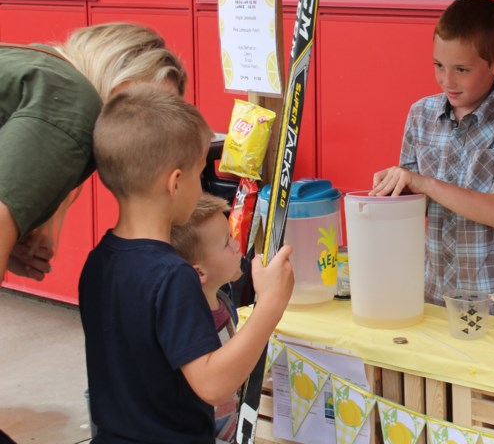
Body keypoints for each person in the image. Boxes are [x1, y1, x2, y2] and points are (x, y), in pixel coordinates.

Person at [79, 85, 294, 443]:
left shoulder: (97, 262)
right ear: (176, 183)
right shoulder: (172, 276)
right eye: (198, 173)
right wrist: (269, 306)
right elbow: (213, 384)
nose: (201, 185)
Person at [371, 0, 494, 305]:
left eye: (461, 70)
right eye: (439, 65)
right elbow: (417, 205)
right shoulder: (421, 114)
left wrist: (422, 182)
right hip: (432, 296)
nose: (446, 80)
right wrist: (392, 191)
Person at [0, 22, 187, 282]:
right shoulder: (72, 101)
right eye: (146, 102)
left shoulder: (40, 69)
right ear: (115, 76)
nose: (150, 127)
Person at [171, 193, 244, 444]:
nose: (236, 246)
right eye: (226, 243)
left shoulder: (223, 301)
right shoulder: (195, 322)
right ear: (199, 271)